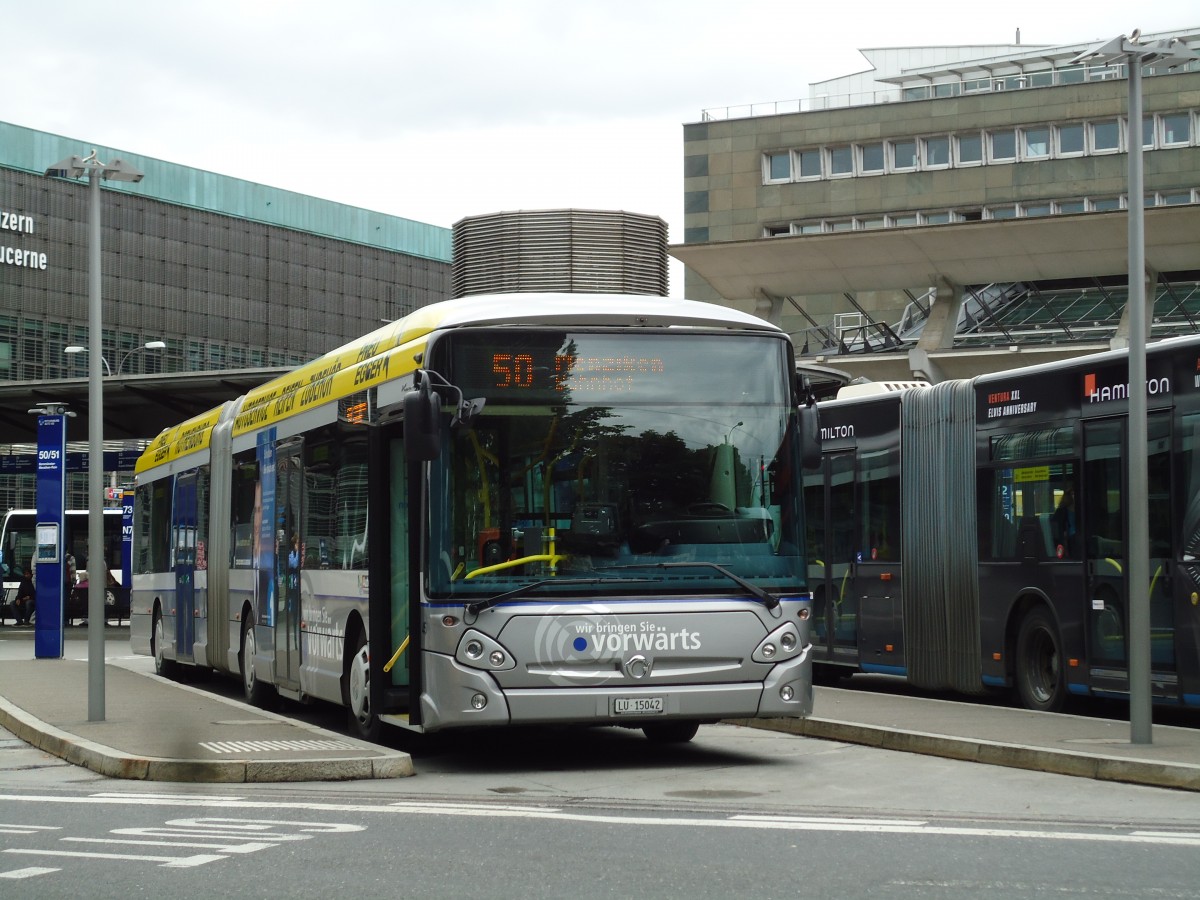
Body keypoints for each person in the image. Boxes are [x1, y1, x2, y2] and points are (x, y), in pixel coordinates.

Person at [1052, 485, 1078, 558]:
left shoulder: (1082, 511)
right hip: (1067, 542)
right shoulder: (1061, 512)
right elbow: (1056, 529)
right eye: (1072, 494)